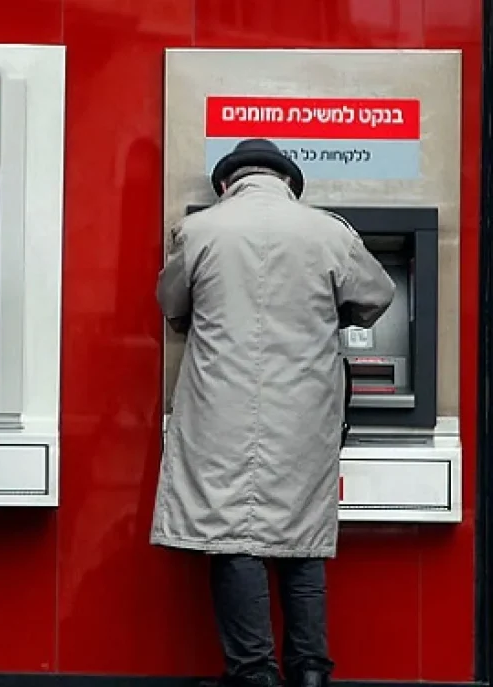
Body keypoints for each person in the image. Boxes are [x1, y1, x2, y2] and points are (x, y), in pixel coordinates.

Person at [150, 138, 396, 687]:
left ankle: (253, 672)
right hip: (305, 410)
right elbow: (377, 295)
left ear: (226, 184)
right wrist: (332, 313)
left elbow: (171, 304)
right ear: (288, 182)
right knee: (301, 537)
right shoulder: (329, 232)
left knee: (230, 534)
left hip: (219, 409)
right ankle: (310, 671)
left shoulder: (201, 231)